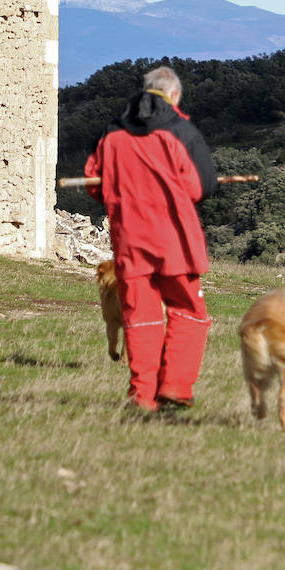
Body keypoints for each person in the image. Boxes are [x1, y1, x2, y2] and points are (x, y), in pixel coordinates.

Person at [85, 65, 218, 412]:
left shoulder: (112, 132)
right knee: (189, 311)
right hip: (175, 241)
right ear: (173, 95)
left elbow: (93, 183)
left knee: (140, 316)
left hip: (130, 239)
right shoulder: (181, 131)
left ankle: (142, 397)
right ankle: (175, 386)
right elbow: (199, 187)